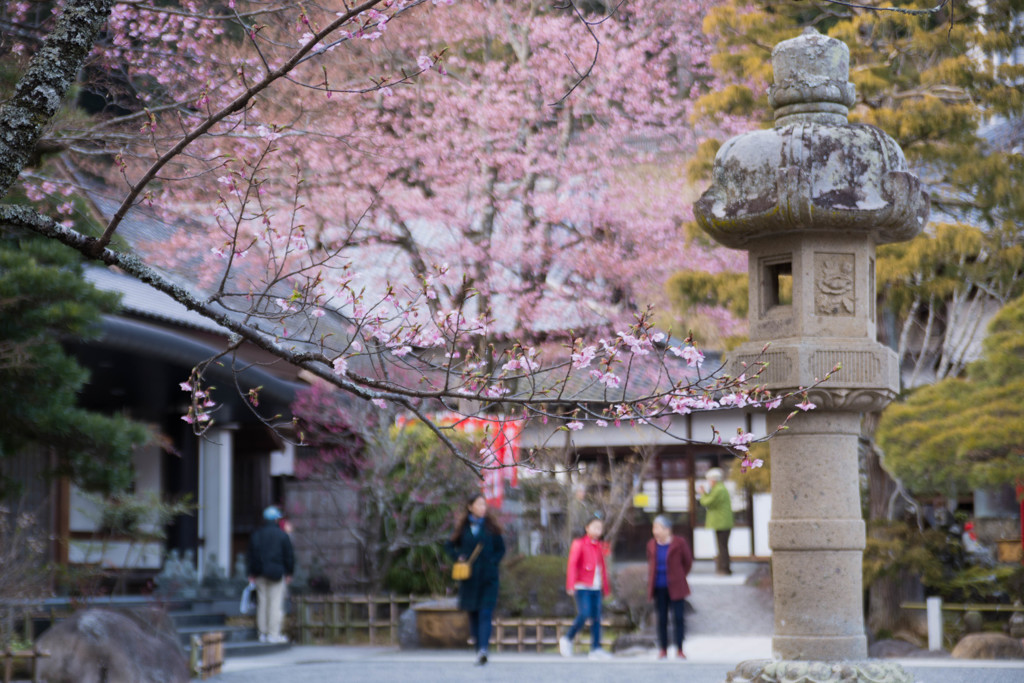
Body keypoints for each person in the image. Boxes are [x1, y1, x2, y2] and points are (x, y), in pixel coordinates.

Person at [445, 493, 505, 666]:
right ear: (470, 507)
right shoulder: (462, 528)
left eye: (484, 505)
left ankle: (483, 649)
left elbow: (501, 549)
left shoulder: (492, 528)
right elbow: (448, 545)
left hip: (488, 579)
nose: (482, 508)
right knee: (473, 614)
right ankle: (479, 650)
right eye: (479, 505)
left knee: (485, 613)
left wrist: (492, 562)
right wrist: (458, 557)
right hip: (469, 579)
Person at [559, 516, 612, 659]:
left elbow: (604, 568)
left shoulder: (601, 546)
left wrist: (606, 588)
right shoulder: (579, 543)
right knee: (584, 613)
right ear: (587, 528)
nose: (597, 530)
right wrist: (570, 584)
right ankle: (567, 638)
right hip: (582, 585)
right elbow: (572, 564)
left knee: (596, 618)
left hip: (596, 586)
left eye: (600, 528)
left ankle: (596, 648)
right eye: (594, 527)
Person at [647, 515, 693, 660]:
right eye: (654, 528)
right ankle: (663, 649)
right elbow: (651, 563)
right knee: (662, 619)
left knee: (678, 618)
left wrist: (679, 575)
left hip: (676, 586)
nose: (655, 531)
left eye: (658, 528)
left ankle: (680, 649)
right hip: (659, 586)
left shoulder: (679, 543)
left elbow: (688, 562)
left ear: (667, 529)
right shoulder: (651, 544)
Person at [247, 505, 295, 644]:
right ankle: (273, 634)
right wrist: (289, 572)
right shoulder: (282, 535)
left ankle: (262, 633)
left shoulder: (257, 534)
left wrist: (252, 573)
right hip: (277, 573)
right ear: (276, 520)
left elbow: (251, 555)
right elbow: (289, 556)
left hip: (260, 573)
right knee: (275, 603)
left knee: (262, 603)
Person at [698, 468, 734, 575]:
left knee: (722, 547)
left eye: (709, 480)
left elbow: (707, 502)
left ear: (714, 480)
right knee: (723, 546)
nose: (709, 482)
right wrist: (705, 493)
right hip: (722, 522)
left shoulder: (719, 490)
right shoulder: (719, 488)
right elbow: (711, 499)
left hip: (721, 522)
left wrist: (702, 494)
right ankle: (725, 568)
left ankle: (724, 569)